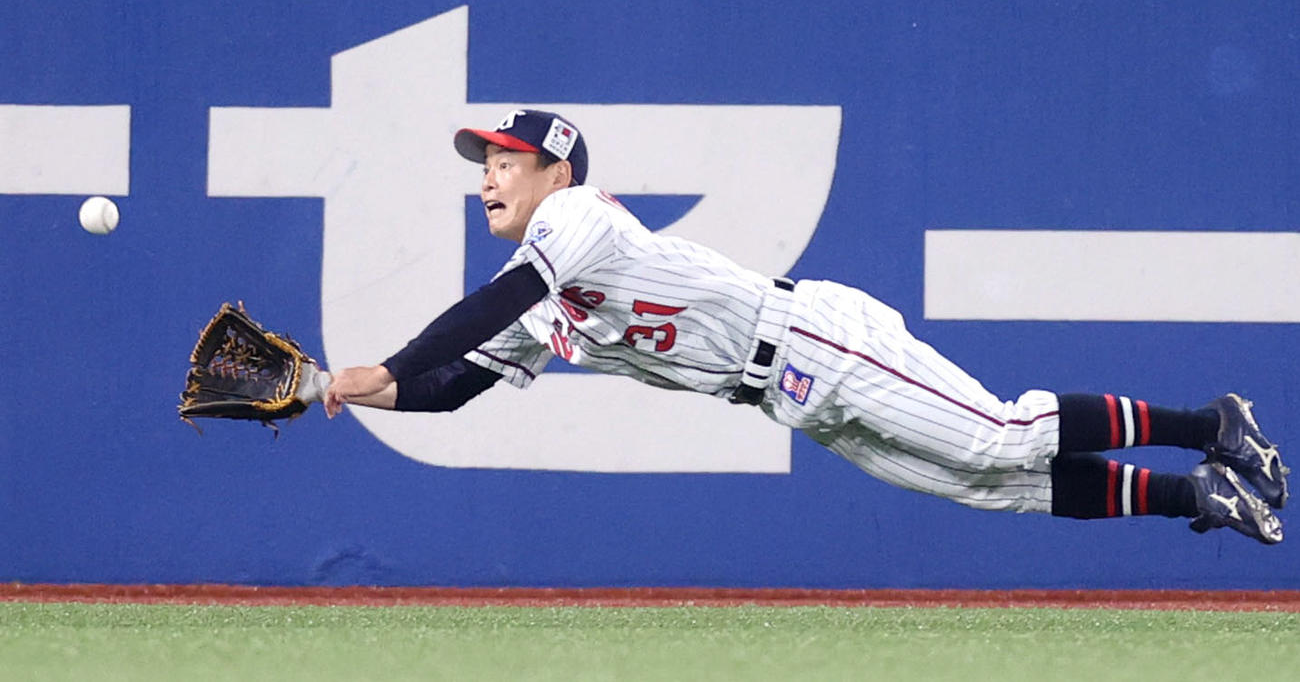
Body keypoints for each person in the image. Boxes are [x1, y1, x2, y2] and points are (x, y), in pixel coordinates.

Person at [322, 109, 1289, 545]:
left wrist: (390, 358)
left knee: (1006, 433)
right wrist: (352, 387)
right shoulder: (543, 285)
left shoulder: (577, 219)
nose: (487, 174)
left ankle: (1214, 424)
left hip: (820, 339)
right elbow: (456, 383)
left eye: (505, 159)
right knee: (990, 485)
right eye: (484, 161)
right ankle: (1197, 497)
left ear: (554, 171)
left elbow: (483, 309)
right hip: (789, 396)